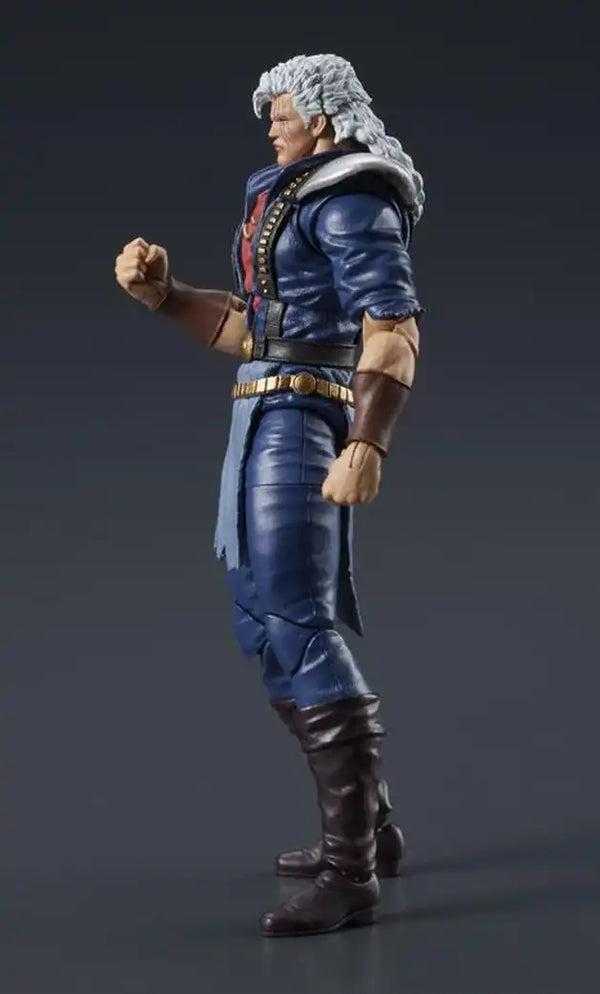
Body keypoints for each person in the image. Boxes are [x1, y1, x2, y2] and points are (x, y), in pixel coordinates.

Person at [115, 53, 424, 937]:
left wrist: (367, 442)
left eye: (281, 111)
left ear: (321, 116)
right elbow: (251, 330)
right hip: (262, 411)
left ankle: (349, 871)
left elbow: (393, 329)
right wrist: (167, 295)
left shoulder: (352, 196)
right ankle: (373, 827)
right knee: (260, 617)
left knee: (294, 619)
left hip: (303, 419)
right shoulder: (290, 196)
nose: (271, 125)